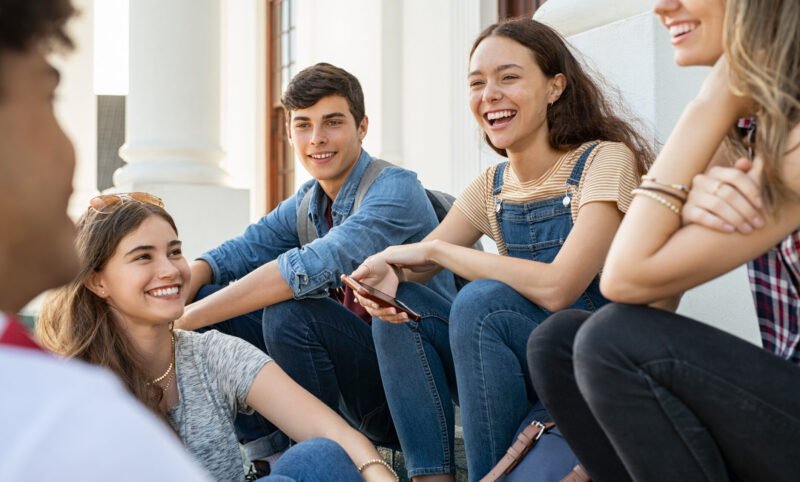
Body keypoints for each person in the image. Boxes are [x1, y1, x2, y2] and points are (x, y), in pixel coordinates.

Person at [351, 18, 654, 481]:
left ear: (555, 87)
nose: (489, 94)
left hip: (588, 370)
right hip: (513, 369)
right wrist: (393, 276)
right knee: (401, 308)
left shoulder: (604, 161)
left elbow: (558, 289)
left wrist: (438, 252)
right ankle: (432, 476)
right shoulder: (489, 187)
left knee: (483, 302)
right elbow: (420, 263)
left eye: (508, 77)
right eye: (477, 83)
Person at [526, 0, 800, 481]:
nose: (662, 5)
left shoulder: (791, 146)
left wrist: (712, 98)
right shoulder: (750, 132)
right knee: (560, 343)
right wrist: (685, 203)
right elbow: (650, 297)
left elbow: (625, 278)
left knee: (611, 340)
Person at [175, 62, 455, 466]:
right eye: (303, 125)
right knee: (211, 297)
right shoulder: (310, 201)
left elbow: (305, 268)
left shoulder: (396, 189)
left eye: (333, 122)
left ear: (362, 127)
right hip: (347, 375)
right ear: (289, 132)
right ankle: (268, 456)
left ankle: (316, 459)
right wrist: (183, 297)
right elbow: (237, 252)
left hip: (410, 391)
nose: (317, 139)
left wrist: (180, 322)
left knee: (291, 313)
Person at [37, 194, 400, 482]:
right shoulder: (76, 385)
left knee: (321, 457)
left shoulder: (210, 354)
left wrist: (375, 469)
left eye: (174, 252)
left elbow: (331, 431)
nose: (169, 270)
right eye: (143, 257)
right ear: (98, 281)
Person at [0, 0, 212, 480]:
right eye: (48, 99)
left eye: (175, 251)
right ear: (97, 281)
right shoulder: (64, 421)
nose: (71, 151)